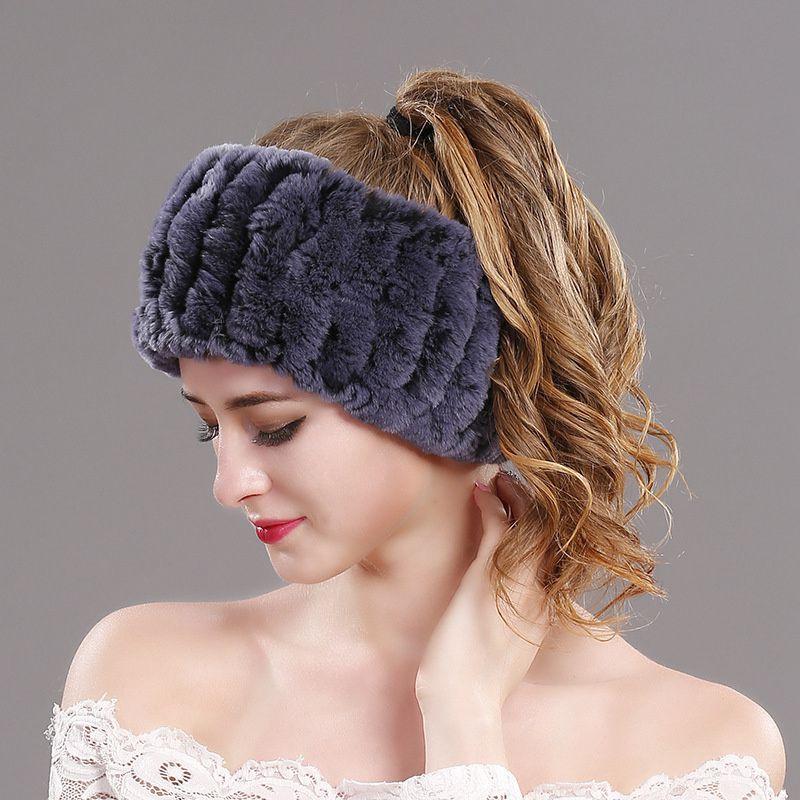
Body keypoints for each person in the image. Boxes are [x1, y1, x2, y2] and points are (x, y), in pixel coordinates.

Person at [44, 68, 787, 800]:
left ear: (444, 392)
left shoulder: (700, 753)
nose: (228, 485)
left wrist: (464, 713)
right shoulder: (143, 687)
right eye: (211, 428)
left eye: (274, 427)